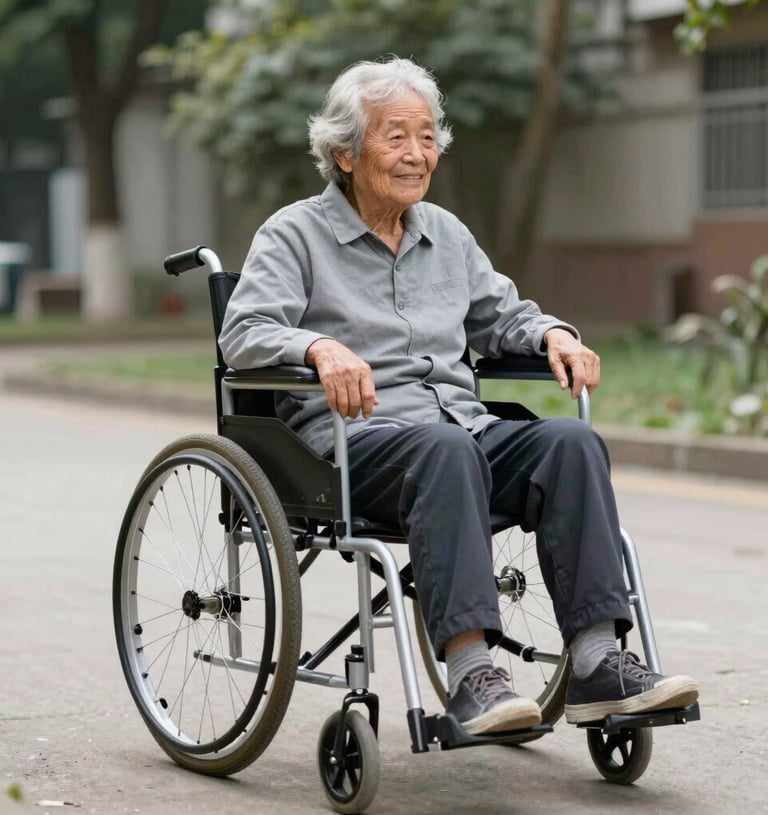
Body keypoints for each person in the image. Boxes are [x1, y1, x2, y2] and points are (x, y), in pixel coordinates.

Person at [219, 56, 699, 735]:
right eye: (396, 136)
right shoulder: (294, 234)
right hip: (357, 446)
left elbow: (503, 315)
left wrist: (552, 332)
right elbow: (243, 332)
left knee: (570, 441)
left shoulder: (445, 234)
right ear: (345, 153)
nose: (418, 154)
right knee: (444, 450)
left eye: (426, 136)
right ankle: (472, 673)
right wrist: (317, 347)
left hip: (460, 433)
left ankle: (597, 663)